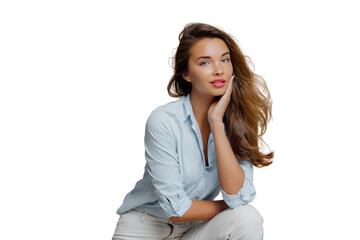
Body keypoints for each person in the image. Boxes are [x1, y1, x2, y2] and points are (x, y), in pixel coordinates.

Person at [112, 22, 274, 240]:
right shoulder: (164, 121)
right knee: (239, 211)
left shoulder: (238, 121)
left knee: (247, 218)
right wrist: (226, 206)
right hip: (144, 228)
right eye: (205, 62)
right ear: (187, 74)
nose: (218, 69)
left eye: (225, 59)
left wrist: (216, 123)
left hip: (195, 230)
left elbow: (239, 197)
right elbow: (177, 209)